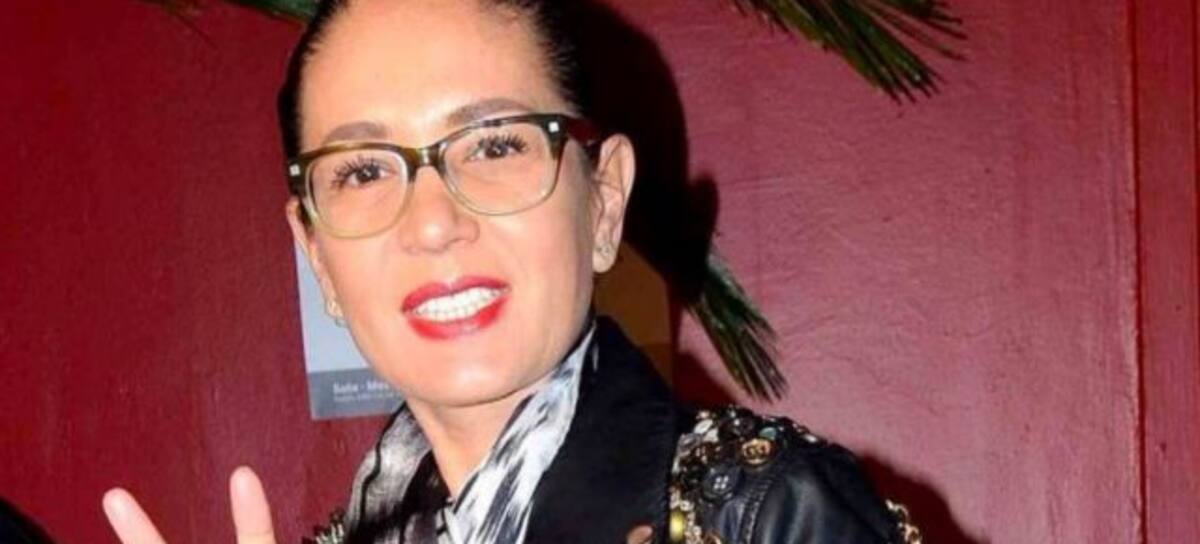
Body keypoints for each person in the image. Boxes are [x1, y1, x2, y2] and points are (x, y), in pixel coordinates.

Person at [103, 0, 919, 542]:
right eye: (362, 170)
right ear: (317, 255)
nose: (432, 222)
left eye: (494, 145)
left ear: (603, 202)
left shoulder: (767, 516)